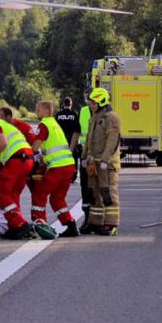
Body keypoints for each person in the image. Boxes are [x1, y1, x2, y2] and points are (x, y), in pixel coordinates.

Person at [0, 106, 34, 239]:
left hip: (16, 159)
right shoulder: (6, 124)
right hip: (27, 159)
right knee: (13, 194)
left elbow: (3, 142)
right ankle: (15, 226)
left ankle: (20, 224)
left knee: (1, 192)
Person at [30, 100, 79, 237]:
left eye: (38, 110)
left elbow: (35, 146)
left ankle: (40, 225)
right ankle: (70, 225)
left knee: (39, 193)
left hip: (57, 168)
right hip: (68, 165)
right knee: (57, 198)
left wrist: (32, 154)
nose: (36, 112)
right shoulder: (54, 124)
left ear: (46, 111)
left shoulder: (44, 125)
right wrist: (44, 158)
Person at [81, 88, 121, 236]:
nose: (91, 106)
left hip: (107, 164)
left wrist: (105, 160)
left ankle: (111, 224)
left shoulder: (111, 118)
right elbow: (88, 140)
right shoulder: (94, 117)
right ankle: (96, 223)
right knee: (95, 193)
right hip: (94, 163)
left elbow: (112, 141)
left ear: (101, 102)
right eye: (90, 103)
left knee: (108, 193)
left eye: (93, 103)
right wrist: (84, 157)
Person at [76, 91, 94, 230]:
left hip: (97, 156)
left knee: (96, 189)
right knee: (85, 188)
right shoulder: (82, 111)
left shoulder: (105, 115)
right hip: (84, 154)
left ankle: (97, 220)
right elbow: (78, 131)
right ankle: (87, 218)